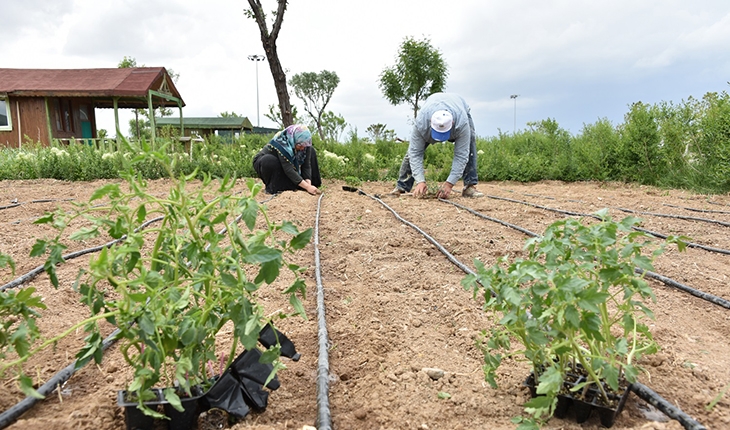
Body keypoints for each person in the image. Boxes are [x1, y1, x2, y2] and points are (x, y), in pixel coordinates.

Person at [389, 93, 483, 199]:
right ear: (431, 122)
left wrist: (449, 184)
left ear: (452, 123)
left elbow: (461, 155)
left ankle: (469, 186)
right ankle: (402, 186)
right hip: (431, 110)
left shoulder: (462, 123)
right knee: (413, 150)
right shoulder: (421, 122)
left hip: (459, 107)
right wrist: (420, 181)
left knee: (470, 144)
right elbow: (415, 153)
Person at [253, 124, 321, 195]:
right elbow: (288, 169)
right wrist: (307, 187)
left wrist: (308, 185)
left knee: (311, 151)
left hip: (283, 165)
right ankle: (273, 188)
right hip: (267, 163)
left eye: (305, 145)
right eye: (300, 145)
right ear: (294, 140)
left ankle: (303, 185)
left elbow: (306, 165)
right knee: (269, 160)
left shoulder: (305, 144)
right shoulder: (282, 143)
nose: (302, 148)